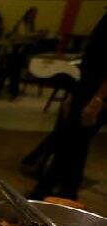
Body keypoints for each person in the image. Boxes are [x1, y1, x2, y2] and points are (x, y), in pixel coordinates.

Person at [30, 12, 106, 200]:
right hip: (84, 88)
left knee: (73, 141)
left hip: (96, 94)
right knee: (72, 143)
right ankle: (65, 194)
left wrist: (98, 99)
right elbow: (89, 59)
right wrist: (72, 93)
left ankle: (47, 193)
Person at [4, 7, 39, 99]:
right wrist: (35, 35)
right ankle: (13, 89)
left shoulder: (31, 25)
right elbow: (22, 35)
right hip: (15, 50)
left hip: (22, 51)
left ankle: (14, 89)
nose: (33, 17)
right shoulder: (21, 23)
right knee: (14, 70)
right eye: (32, 15)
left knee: (16, 70)